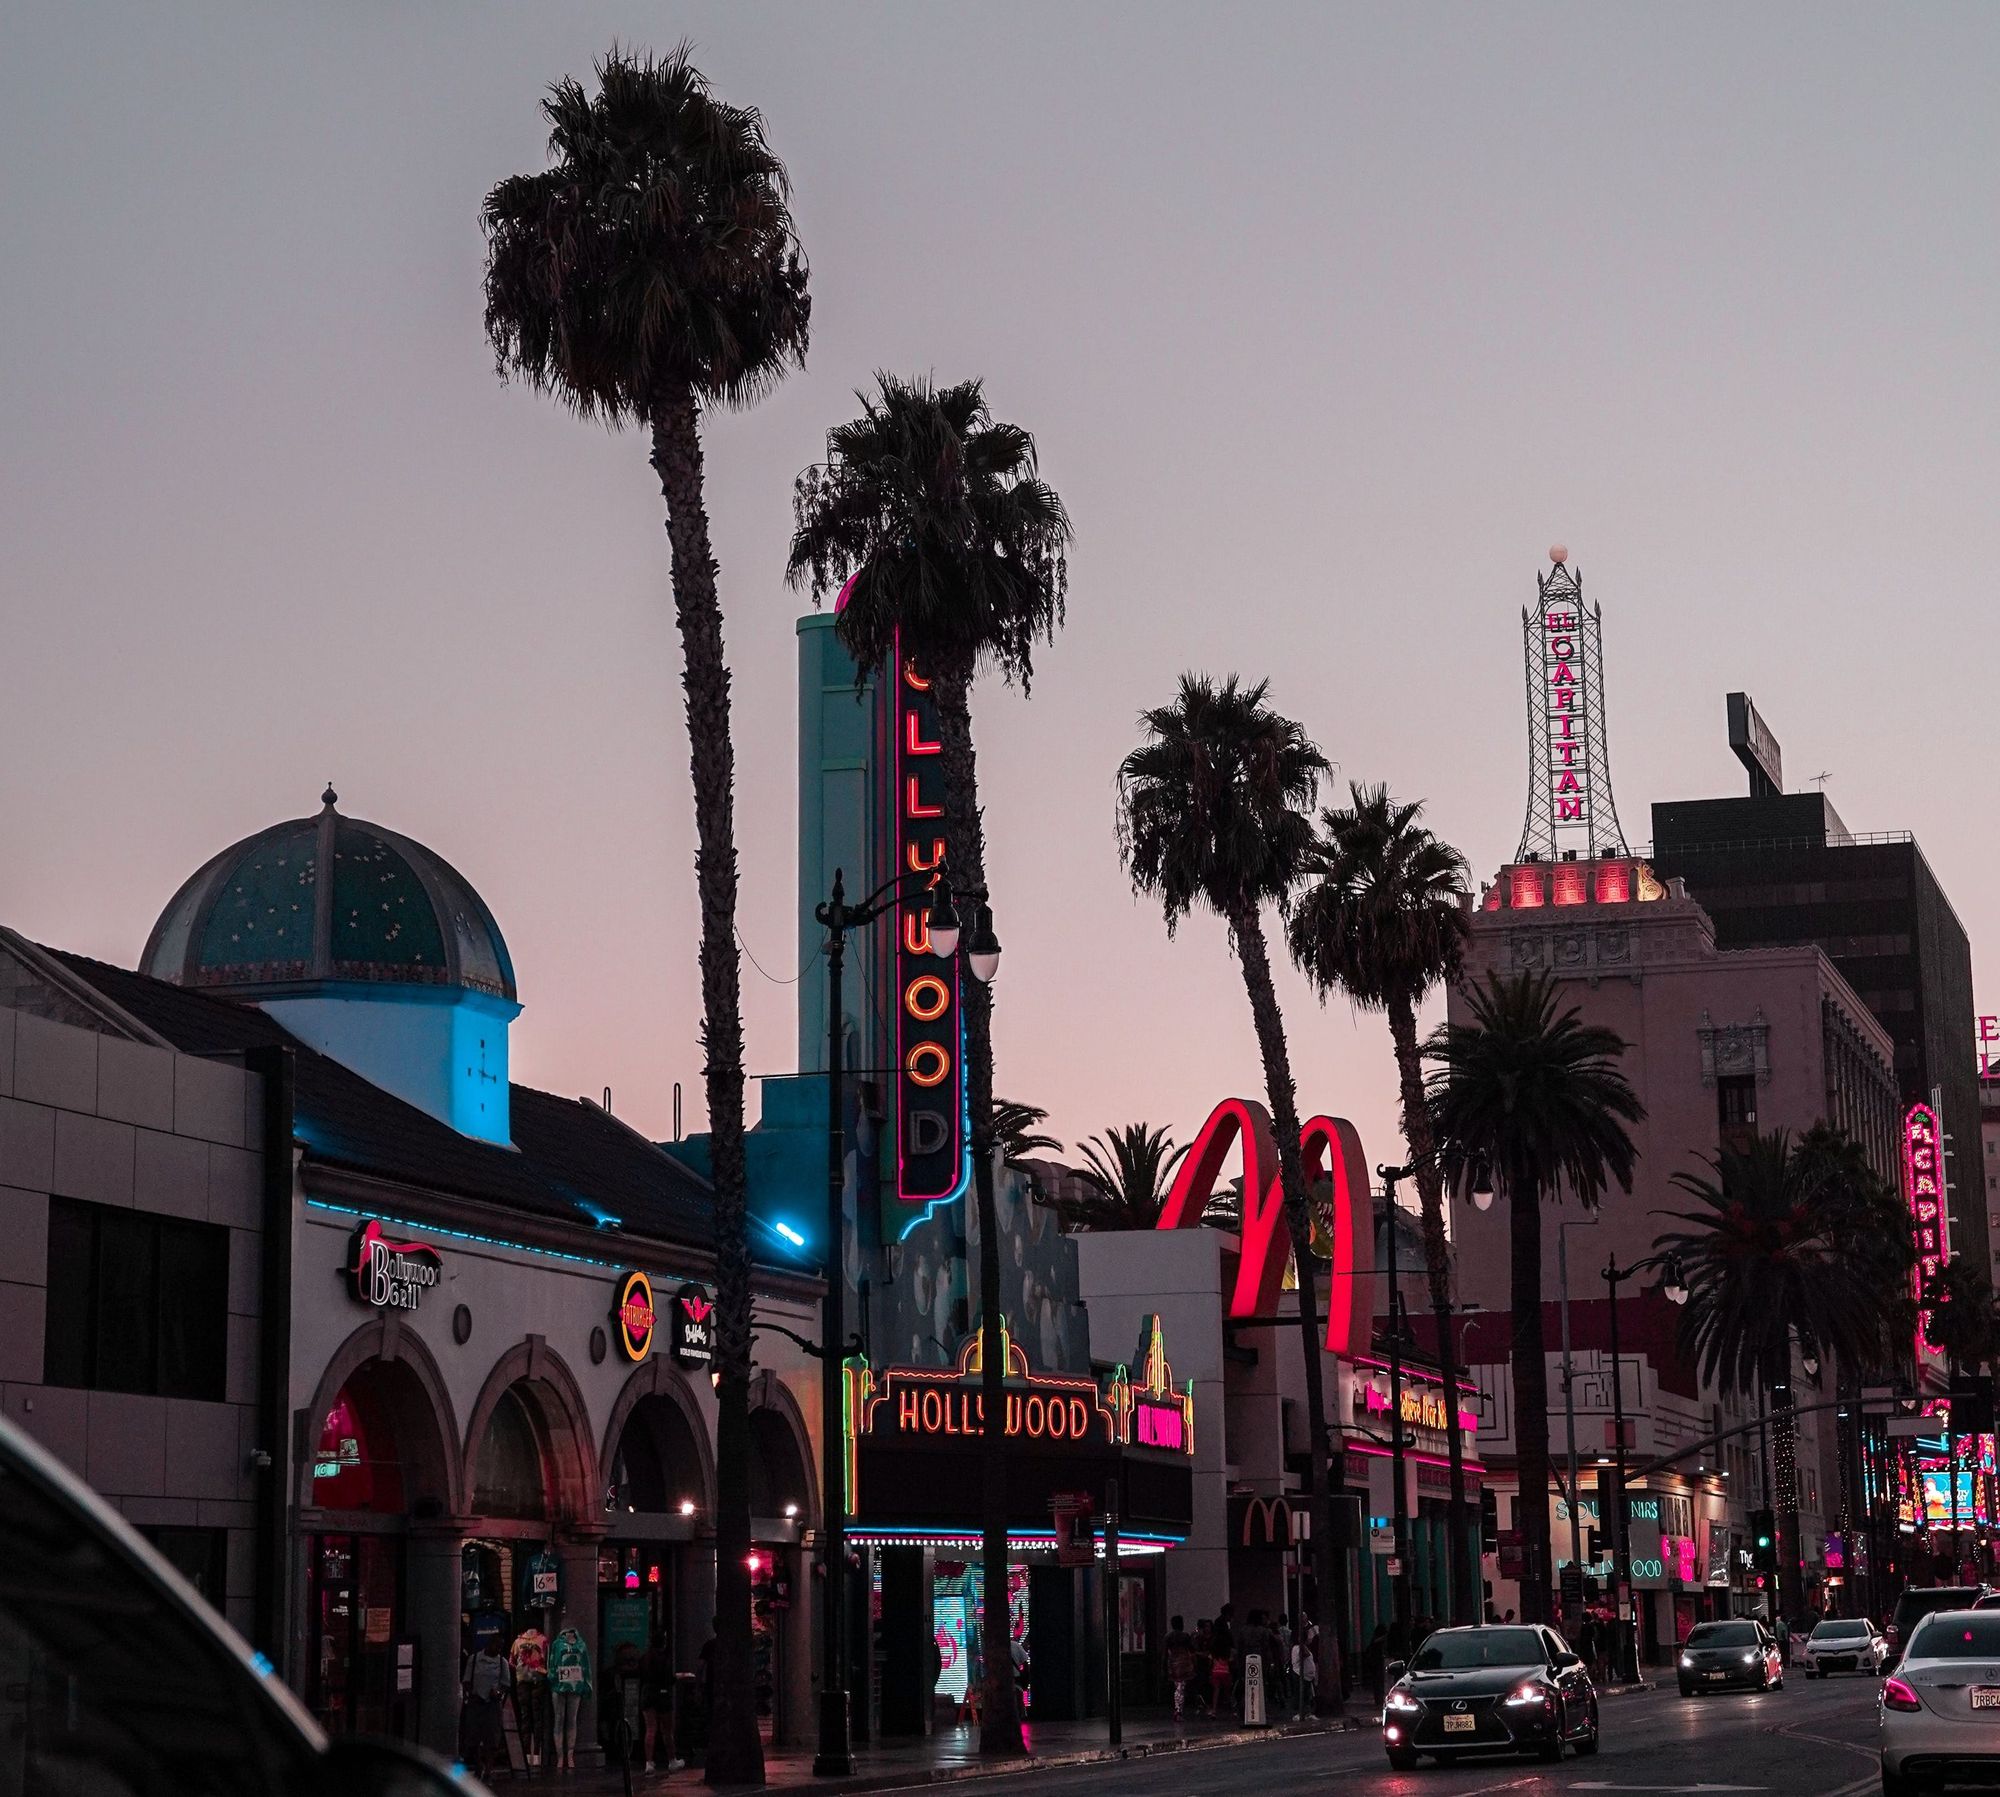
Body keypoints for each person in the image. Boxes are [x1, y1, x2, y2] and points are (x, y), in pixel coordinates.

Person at [462, 1633, 511, 1783]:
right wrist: (471, 1693)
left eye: (500, 1647)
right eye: (496, 1645)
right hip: (477, 1702)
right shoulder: (475, 1659)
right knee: (474, 1736)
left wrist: (498, 1693)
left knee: (492, 1737)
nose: (498, 1649)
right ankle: (478, 1765)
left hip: (492, 1704)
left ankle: (488, 1770)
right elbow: (467, 1680)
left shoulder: (502, 1663)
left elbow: (505, 1684)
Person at [550, 1624, 593, 1772]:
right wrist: (552, 1677)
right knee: (559, 1719)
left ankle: (570, 1754)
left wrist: (587, 1684)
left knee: (572, 1719)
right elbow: (552, 1663)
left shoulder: (581, 1645)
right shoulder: (557, 1644)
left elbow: (586, 1665)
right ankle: (560, 1756)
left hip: (575, 1685)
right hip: (559, 1685)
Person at [1165, 1615, 1195, 1720]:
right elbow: (1191, 1649)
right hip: (1183, 1663)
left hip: (1173, 1662)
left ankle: (1177, 1709)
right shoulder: (1185, 1636)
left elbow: (1165, 1653)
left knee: (1177, 1687)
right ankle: (1178, 1710)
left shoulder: (1168, 1637)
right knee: (1181, 1687)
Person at [1211, 1606, 1236, 1716]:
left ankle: (1214, 1710)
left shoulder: (1217, 1625)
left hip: (1217, 1661)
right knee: (1228, 1687)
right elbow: (1230, 1640)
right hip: (1225, 1660)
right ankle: (1232, 1709)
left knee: (1217, 1687)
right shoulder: (1224, 1628)